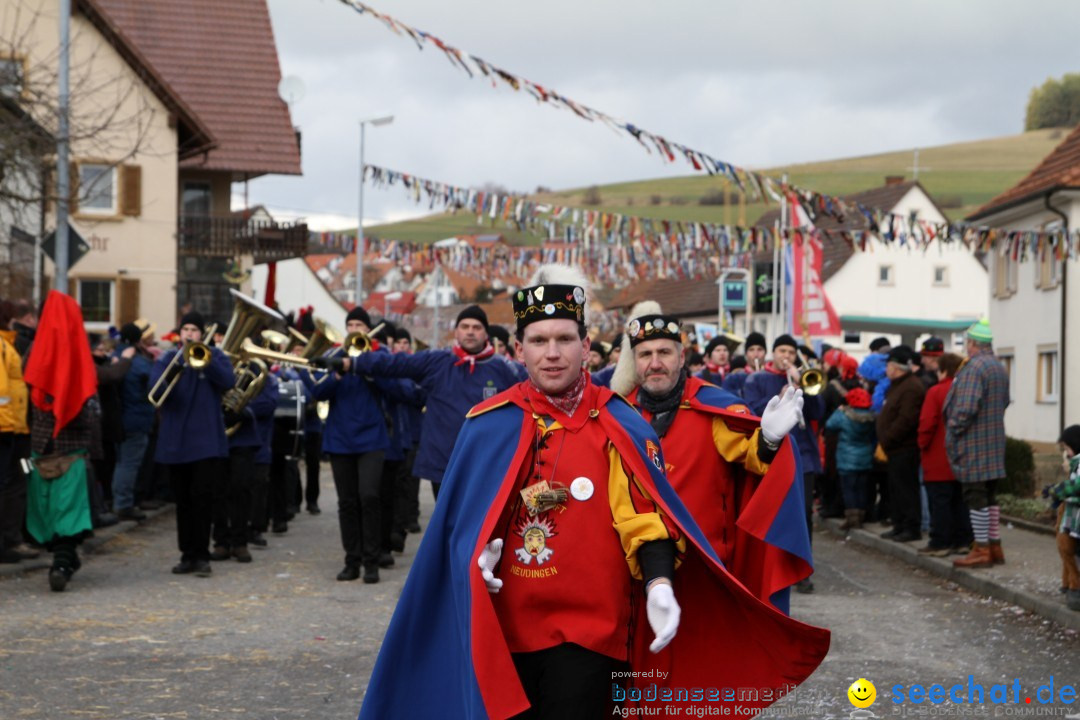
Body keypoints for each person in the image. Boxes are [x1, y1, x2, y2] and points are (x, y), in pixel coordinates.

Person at [356, 266, 829, 720]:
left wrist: (660, 582)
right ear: (519, 350)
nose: (552, 353)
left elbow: (644, 517)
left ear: (586, 346)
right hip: (505, 626)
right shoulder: (488, 423)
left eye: (564, 340)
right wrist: (471, 556)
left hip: (592, 625)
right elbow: (459, 528)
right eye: (539, 341)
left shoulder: (619, 422)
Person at [614, 301, 812, 613]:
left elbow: (752, 456)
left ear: (682, 357)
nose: (655, 363)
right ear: (634, 362)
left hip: (706, 571)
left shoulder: (713, 407)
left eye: (664, 353)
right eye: (645, 355)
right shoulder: (618, 413)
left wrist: (770, 441)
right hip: (635, 574)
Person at [318, 305, 519, 502]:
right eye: (465, 327)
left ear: (486, 334)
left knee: (482, 526)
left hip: (486, 461)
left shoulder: (503, 368)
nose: (470, 332)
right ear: (456, 332)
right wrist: (350, 363)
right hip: (443, 460)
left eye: (477, 327)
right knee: (447, 525)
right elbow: (396, 364)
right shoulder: (438, 361)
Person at [303, 306, 395, 583]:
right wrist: (337, 373)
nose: (355, 328)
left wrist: (366, 367)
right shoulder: (335, 356)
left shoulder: (379, 357)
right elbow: (317, 391)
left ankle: (371, 560)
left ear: (368, 330)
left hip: (371, 439)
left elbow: (392, 389)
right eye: (351, 324)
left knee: (369, 496)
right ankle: (351, 561)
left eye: (360, 324)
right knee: (347, 502)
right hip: (340, 439)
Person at [22, 292, 100, 591]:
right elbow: (86, 403)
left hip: (44, 445)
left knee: (55, 508)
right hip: (67, 447)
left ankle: (63, 561)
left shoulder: (33, 351)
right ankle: (64, 561)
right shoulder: (77, 353)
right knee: (64, 509)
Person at [151, 310, 236, 577]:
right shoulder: (167, 358)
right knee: (184, 501)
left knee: (203, 499)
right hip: (177, 441)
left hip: (206, 441)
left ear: (202, 334)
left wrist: (206, 361)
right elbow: (155, 392)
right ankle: (186, 554)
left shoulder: (215, 356)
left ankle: (202, 555)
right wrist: (175, 369)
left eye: (194, 330)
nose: (189, 334)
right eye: (186, 329)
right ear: (180, 333)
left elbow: (229, 381)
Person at [743, 334, 825, 593]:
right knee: (771, 512)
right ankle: (769, 568)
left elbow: (818, 412)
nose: (786, 356)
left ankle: (801, 570)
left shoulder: (802, 379)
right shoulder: (757, 379)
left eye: (790, 352)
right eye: (782, 351)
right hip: (771, 455)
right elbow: (750, 410)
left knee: (803, 515)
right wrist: (778, 399)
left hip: (803, 456)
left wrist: (803, 386)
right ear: (773, 353)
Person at [946, 318, 1010, 569]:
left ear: (973, 343)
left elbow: (966, 408)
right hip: (994, 440)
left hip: (975, 443)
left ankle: (981, 549)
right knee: (990, 496)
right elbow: (1004, 402)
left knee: (975, 497)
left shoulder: (974, 368)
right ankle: (994, 546)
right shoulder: (998, 367)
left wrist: (952, 429)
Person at [915, 352, 971, 556]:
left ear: (943, 369)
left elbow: (927, 422)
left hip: (938, 456)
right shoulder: (966, 391)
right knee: (961, 501)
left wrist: (922, 444)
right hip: (963, 457)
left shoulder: (936, 391)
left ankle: (940, 542)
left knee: (940, 502)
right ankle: (963, 540)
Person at [876, 345, 926, 543]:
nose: (886, 369)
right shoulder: (897, 385)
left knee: (906, 490)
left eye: (888, 365)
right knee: (895, 490)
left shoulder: (912, 387)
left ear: (896, 367)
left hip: (904, 448)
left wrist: (886, 439)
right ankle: (898, 524)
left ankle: (911, 527)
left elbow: (906, 420)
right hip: (893, 448)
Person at [112, 321, 155, 521]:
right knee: (129, 464)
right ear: (138, 340)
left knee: (121, 462)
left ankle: (119, 501)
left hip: (118, 419)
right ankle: (123, 504)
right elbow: (155, 384)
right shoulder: (138, 362)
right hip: (136, 419)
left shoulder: (114, 355)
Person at [0, 301, 33, 564]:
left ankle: (12, 538)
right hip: (9, 430)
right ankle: (9, 541)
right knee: (13, 483)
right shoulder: (2, 346)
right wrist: (9, 427)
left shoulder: (8, 344)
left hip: (14, 427)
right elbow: (2, 394)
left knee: (17, 481)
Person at [824, 387, 876, 530]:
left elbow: (830, 424)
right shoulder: (871, 416)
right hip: (865, 456)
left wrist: (840, 409)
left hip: (847, 456)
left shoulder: (843, 415)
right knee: (861, 488)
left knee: (849, 488)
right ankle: (861, 515)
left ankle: (852, 519)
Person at [1048, 426, 1080, 611]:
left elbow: (1076, 486)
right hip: (1072, 521)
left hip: (1075, 521)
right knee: (1068, 550)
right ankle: (1069, 585)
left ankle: (1075, 590)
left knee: (1072, 552)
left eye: (1067, 448)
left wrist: (1058, 492)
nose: (1065, 454)